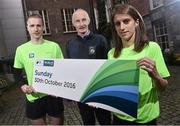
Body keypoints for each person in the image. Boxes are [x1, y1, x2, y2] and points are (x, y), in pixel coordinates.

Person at [108, 4, 170, 125]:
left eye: (126, 21)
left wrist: (156, 76)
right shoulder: (111, 54)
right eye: (117, 23)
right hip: (119, 118)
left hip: (145, 119)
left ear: (136, 22)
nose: (122, 27)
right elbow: (112, 89)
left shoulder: (152, 48)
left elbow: (163, 88)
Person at [13, 14, 64, 125]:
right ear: (27, 28)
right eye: (32, 26)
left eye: (38, 25)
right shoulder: (21, 49)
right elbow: (16, 73)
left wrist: (59, 88)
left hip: (53, 96)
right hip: (34, 97)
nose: (35, 29)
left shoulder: (54, 46)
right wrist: (23, 86)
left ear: (43, 27)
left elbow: (62, 70)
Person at [66, 9, 111, 125]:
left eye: (84, 20)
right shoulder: (70, 44)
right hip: (82, 94)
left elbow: (108, 66)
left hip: (100, 91)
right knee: (88, 123)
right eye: (77, 21)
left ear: (89, 20)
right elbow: (70, 70)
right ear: (73, 24)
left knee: (105, 121)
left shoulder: (100, 40)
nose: (81, 24)